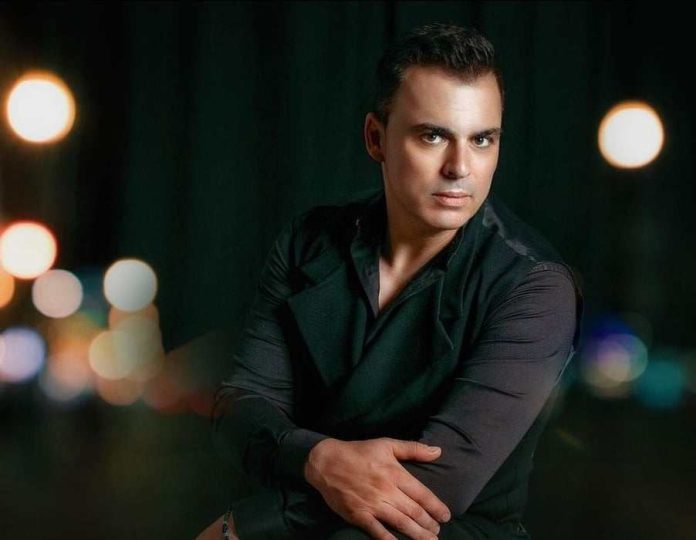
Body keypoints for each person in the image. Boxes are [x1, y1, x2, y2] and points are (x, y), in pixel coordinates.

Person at [197, 22, 583, 540]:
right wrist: (319, 457)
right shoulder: (308, 242)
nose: (460, 167)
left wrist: (252, 523)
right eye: (433, 136)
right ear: (375, 138)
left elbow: (436, 490)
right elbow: (240, 410)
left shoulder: (534, 287)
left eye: (482, 139)